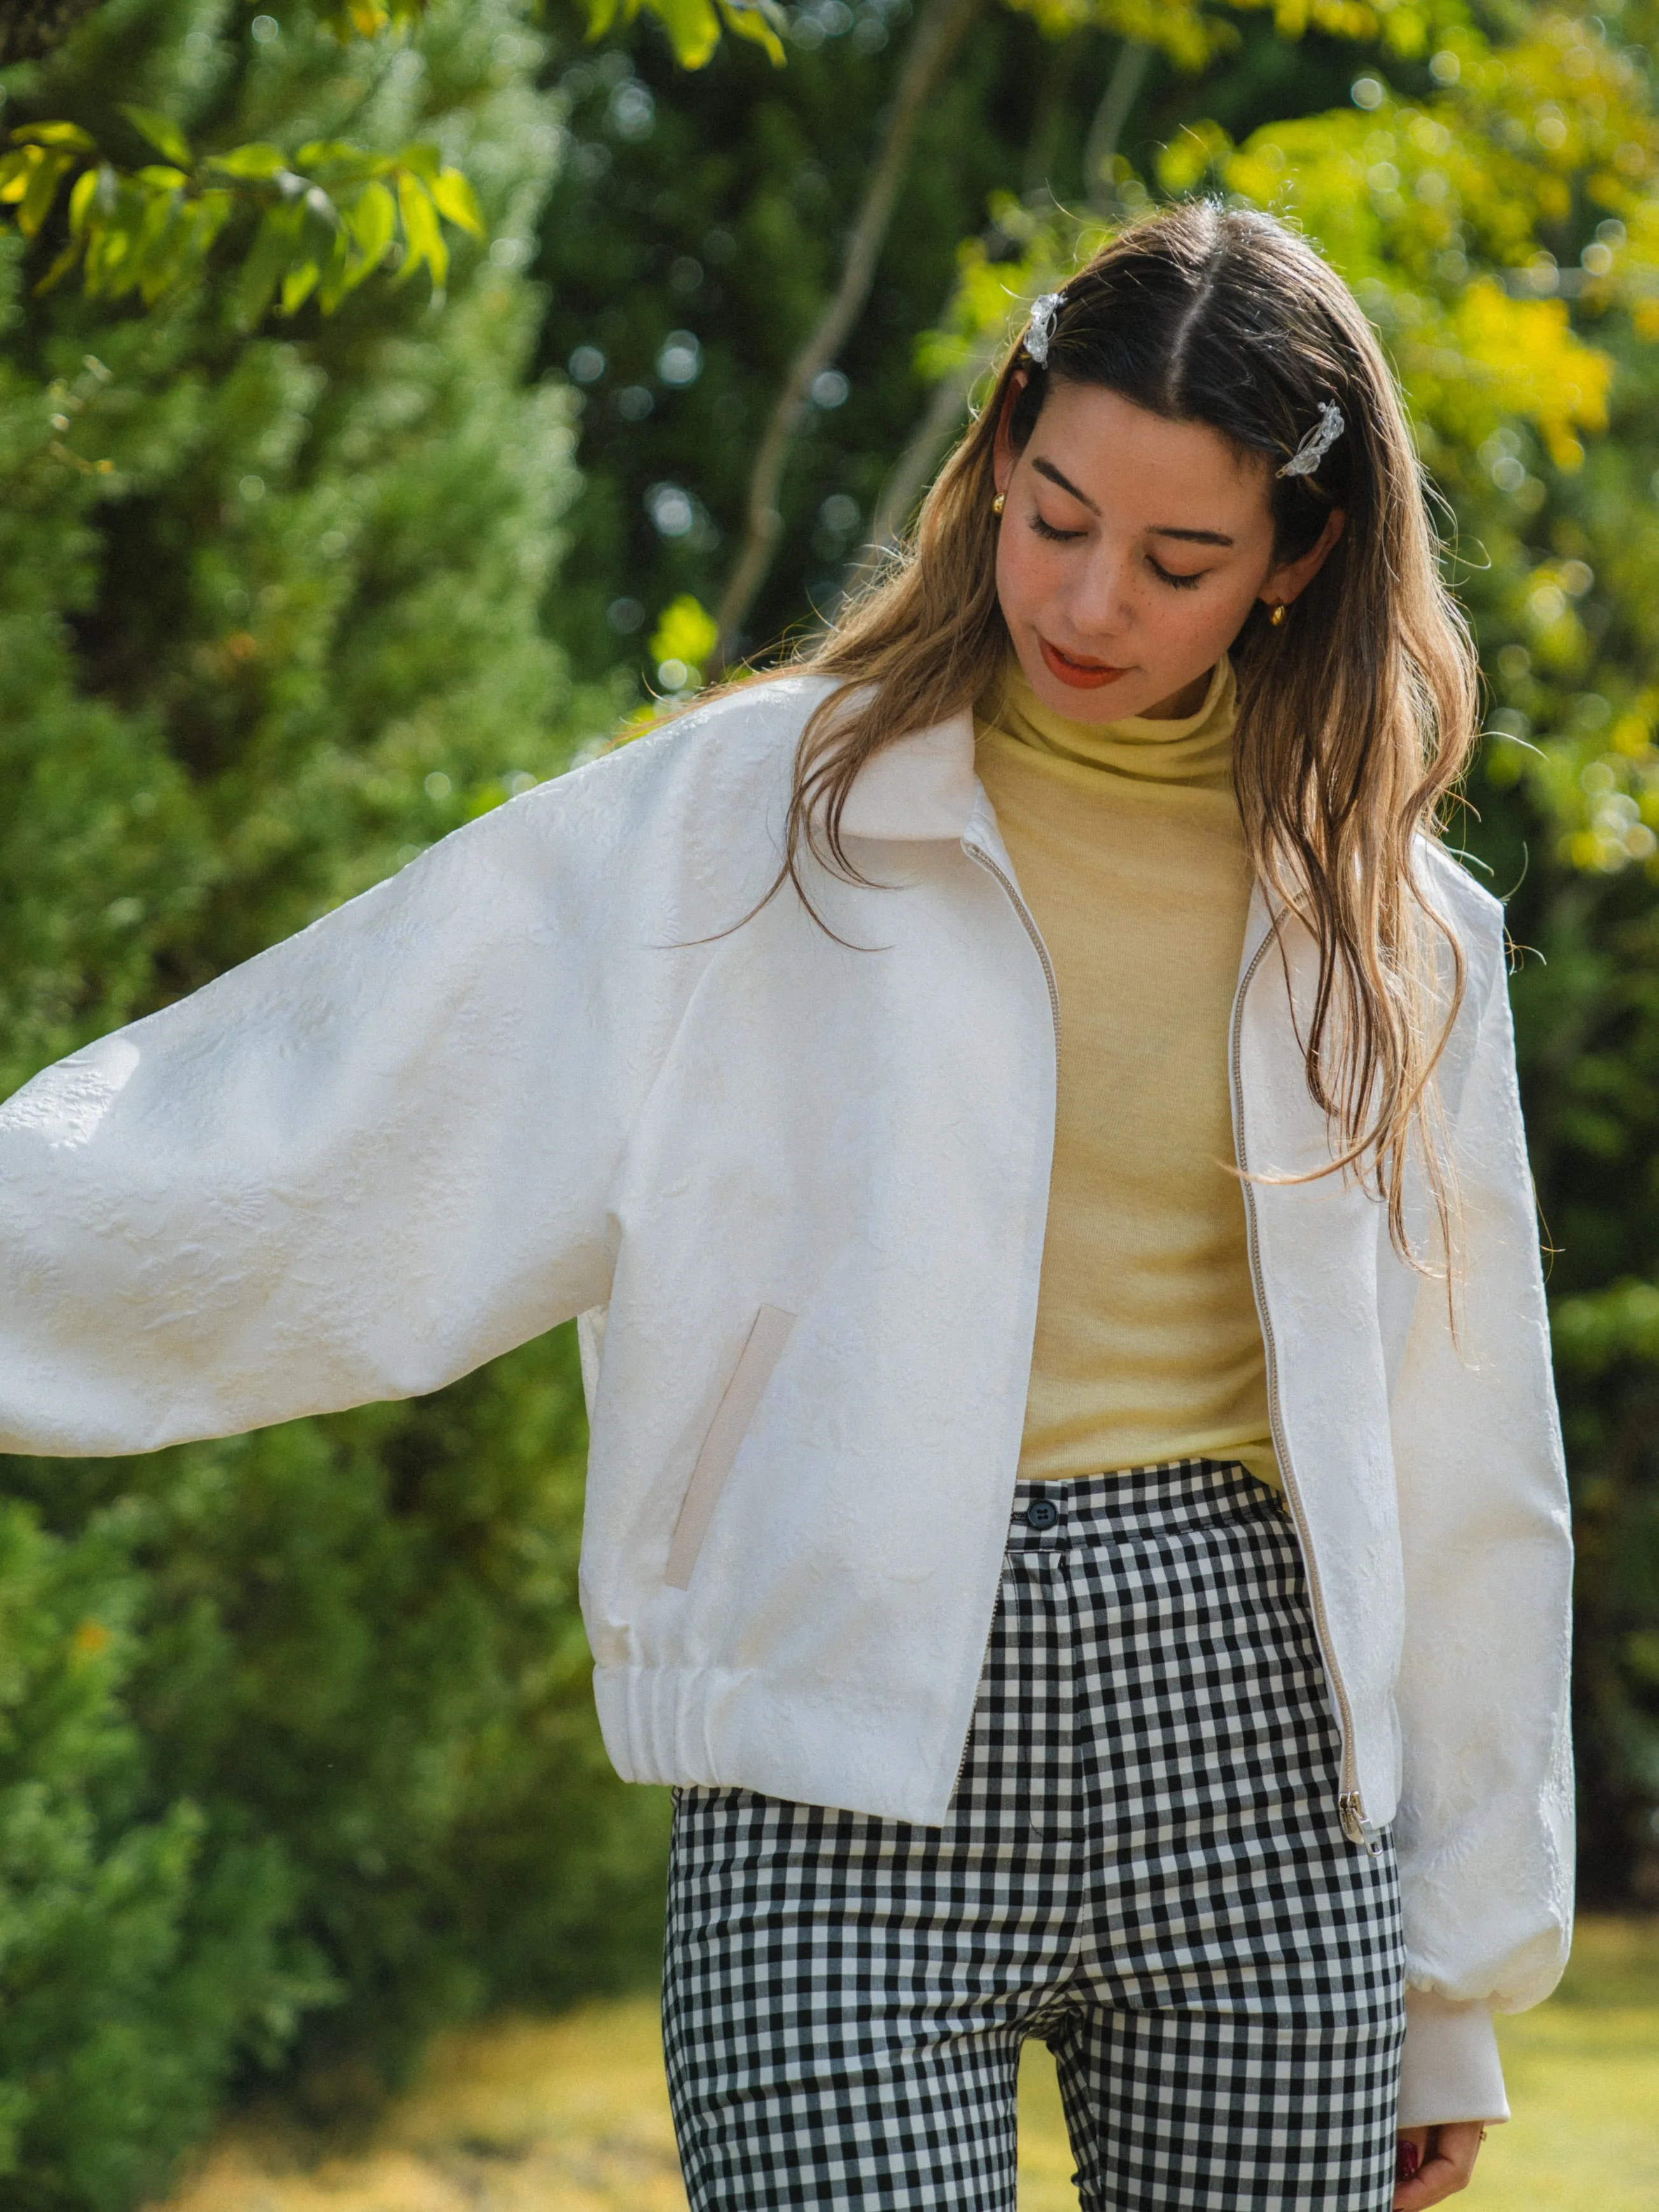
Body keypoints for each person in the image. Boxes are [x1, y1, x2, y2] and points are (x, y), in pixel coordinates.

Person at [0, 202, 1571, 2212]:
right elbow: (325, 1107)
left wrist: (1452, 1976)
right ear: (999, 451)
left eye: (1179, 559)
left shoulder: (1395, 929)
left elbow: (1468, 1457)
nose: (1089, 596)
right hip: (821, 1740)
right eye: (1056, 512)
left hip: (1254, 1753)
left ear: (1299, 558)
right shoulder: (751, 816)